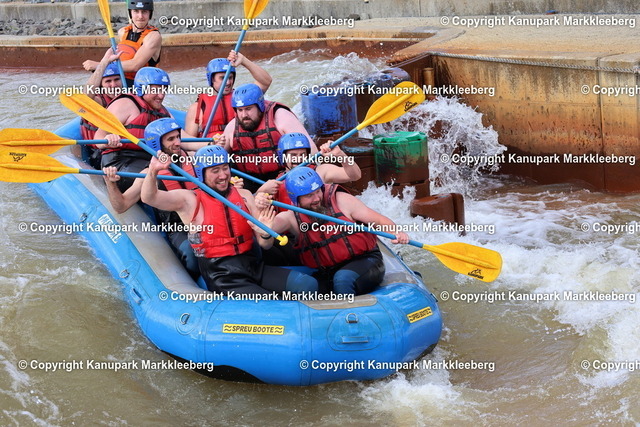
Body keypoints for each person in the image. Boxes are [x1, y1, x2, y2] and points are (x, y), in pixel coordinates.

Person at [140, 145, 319, 296]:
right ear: (201, 173)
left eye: (225, 168)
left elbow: (265, 245)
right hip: (222, 276)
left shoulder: (245, 195)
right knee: (270, 302)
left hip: (253, 266)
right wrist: (154, 171)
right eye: (215, 170)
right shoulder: (189, 200)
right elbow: (149, 198)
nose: (223, 175)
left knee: (307, 285)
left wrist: (266, 234)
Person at [255, 167, 410, 296]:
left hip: (365, 261)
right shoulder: (291, 218)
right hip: (327, 271)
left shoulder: (341, 200)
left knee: (343, 280)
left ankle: (351, 319)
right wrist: (261, 214)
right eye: (309, 195)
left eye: (318, 191)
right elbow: (264, 240)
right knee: (308, 286)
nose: (317, 198)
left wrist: (396, 232)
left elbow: (381, 221)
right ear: (296, 199)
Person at [220, 83, 316, 193]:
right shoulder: (232, 127)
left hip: (282, 179)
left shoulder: (281, 117)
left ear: (260, 106)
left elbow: (312, 152)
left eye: (248, 109)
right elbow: (217, 161)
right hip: (248, 183)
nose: (244, 115)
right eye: (240, 110)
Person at [94, 67, 172, 192]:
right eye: (156, 90)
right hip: (118, 162)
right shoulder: (125, 104)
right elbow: (98, 137)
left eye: (164, 89)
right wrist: (107, 140)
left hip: (147, 160)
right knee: (161, 181)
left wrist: (206, 145)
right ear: (142, 88)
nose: (161, 95)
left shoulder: (162, 112)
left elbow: (184, 140)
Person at [184, 51, 272, 139]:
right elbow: (189, 142)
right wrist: (210, 143)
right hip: (213, 145)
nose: (228, 82)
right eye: (222, 78)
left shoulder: (243, 96)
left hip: (239, 143)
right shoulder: (197, 107)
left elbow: (265, 82)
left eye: (230, 77)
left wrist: (243, 60)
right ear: (212, 79)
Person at [256, 132, 362, 206]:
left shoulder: (320, 171)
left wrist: (340, 155)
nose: (299, 159)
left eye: (302, 154)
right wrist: (260, 192)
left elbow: (355, 175)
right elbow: (253, 208)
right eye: (293, 155)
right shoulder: (275, 184)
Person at [82, 0, 161, 87]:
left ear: (150, 14)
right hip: (121, 81)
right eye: (136, 11)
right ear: (130, 13)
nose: (140, 16)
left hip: (143, 85)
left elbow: (135, 65)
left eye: (144, 12)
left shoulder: (153, 36)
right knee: (94, 86)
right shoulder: (123, 32)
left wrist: (99, 65)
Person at [80, 48, 124, 168]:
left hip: (123, 150)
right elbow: (85, 98)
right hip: (99, 153)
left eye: (117, 80)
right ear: (101, 85)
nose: (113, 85)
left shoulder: (129, 98)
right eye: (108, 81)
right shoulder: (99, 101)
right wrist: (104, 61)